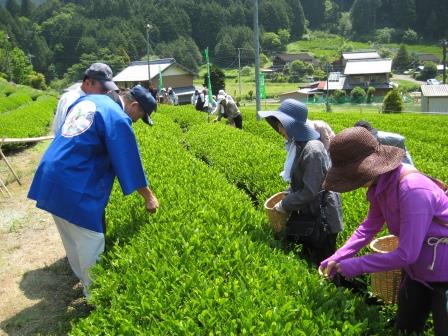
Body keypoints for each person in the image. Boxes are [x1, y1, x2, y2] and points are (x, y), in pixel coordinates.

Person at [28, 86, 159, 297]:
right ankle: (96, 297)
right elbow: (128, 161)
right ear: (134, 105)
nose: (136, 122)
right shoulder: (117, 116)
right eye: (140, 116)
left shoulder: (91, 101)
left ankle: (83, 282)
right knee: (92, 239)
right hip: (73, 183)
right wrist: (149, 197)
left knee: (71, 236)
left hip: (51, 174)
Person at [319, 127, 448, 336]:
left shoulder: (412, 189)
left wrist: (356, 265)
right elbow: (368, 228)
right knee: (405, 329)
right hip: (417, 273)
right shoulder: (380, 186)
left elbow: (407, 253)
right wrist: (338, 256)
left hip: (443, 272)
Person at [258, 99, 343, 264]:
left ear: (291, 125)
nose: (279, 129)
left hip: (323, 219)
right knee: (310, 261)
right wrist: (288, 194)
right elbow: (302, 183)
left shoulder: (313, 150)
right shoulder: (300, 145)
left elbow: (310, 191)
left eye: (281, 124)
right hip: (311, 215)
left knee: (324, 264)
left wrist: (285, 204)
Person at [52, 62, 119, 134]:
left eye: (107, 89)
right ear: (88, 83)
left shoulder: (67, 96)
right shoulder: (77, 102)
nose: (106, 93)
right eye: (103, 89)